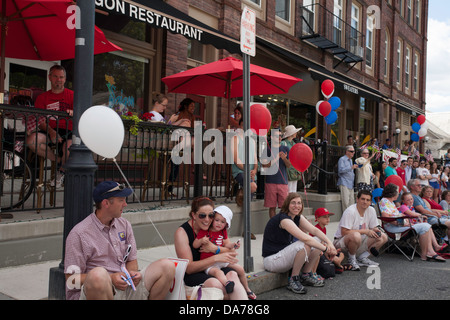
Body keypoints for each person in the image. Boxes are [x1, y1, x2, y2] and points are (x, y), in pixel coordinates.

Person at [64, 181, 175, 300]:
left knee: (167, 266)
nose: (125, 204)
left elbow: (132, 260)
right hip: (99, 291)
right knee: (98, 275)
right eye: (121, 200)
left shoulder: (124, 225)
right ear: (106, 203)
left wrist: (133, 274)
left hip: (126, 286)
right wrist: (110, 278)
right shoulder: (79, 234)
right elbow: (71, 280)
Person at [174, 196, 248, 299]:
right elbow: (189, 268)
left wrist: (215, 249)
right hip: (194, 274)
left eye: (211, 215)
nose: (207, 219)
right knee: (216, 284)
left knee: (233, 275)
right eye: (202, 215)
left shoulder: (214, 224)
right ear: (193, 215)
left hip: (215, 267)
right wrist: (215, 258)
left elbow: (231, 250)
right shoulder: (182, 233)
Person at [262, 193, 337, 294]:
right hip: (272, 260)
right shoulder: (284, 219)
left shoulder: (297, 217)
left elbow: (315, 231)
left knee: (318, 240)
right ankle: (293, 279)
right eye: (293, 203)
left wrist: (330, 244)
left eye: (299, 203)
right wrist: (326, 249)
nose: (296, 206)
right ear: (287, 204)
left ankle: (306, 275)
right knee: (304, 244)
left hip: (284, 255)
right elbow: (305, 239)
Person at [193, 205, 256, 299]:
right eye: (217, 220)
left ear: (226, 224)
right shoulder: (205, 231)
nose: (219, 224)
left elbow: (227, 245)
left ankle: (247, 289)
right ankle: (227, 283)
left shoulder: (222, 232)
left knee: (240, 269)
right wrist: (201, 240)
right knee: (218, 272)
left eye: (222, 222)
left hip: (221, 260)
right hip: (209, 263)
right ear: (212, 219)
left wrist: (233, 245)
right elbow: (195, 244)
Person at [26, 65, 73, 189]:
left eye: (61, 77)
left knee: (69, 147)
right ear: (49, 77)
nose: (59, 79)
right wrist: (52, 133)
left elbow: (82, 114)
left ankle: (61, 172)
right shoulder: (42, 97)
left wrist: (74, 112)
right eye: (56, 76)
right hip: (48, 130)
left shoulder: (72, 95)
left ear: (65, 79)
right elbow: (39, 121)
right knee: (32, 140)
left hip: (69, 131)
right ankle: (58, 160)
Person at [378, 184, 446, 262]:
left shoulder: (391, 202)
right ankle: (425, 254)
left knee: (427, 226)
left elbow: (394, 214)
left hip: (400, 225)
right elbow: (385, 216)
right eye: (397, 192)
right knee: (424, 226)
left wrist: (402, 216)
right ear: (392, 193)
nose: (398, 194)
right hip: (393, 227)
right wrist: (401, 223)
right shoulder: (384, 201)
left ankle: (430, 252)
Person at [333, 190, 388, 270]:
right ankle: (351, 260)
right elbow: (344, 232)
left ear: (370, 202)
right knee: (356, 235)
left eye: (368, 200)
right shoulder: (350, 211)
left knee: (383, 237)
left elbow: (373, 227)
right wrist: (365, 231)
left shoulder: (371, 210)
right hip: (341, 243)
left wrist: (376, 230)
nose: (365, 202)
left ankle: (362, 258)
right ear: (357, 199)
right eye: (363, 199)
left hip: (359, 241)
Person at [261, 129, 291, 218]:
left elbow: (289, 165)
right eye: (277, 136)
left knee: (284, 208)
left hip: (283, 182)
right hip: (270, 182)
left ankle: (283, 225)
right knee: (272, 207)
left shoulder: (285, 149)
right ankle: (273, 226)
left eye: (281, 136)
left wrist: (284, 159)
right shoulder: (267, 149)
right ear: (272, 137)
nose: (279, 138)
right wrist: (277, 158)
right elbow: (265, 165)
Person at [230, 118, 258, 207]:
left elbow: (255, 158)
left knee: (248, 197)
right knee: (252, 187)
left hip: (250, 173)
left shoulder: (252, 141)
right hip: (240, 171)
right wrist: (247, 170)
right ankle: (241, 193)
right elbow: (235, 158)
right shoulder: (235, 138)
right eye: (243, 126)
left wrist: (254, 170)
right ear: (240, 126)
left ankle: (242, 196)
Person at [313, 208, 346, 273]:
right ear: (318, 219)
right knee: (335, 258)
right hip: (319, 250)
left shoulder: (324, 228)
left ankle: (337, 264)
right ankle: (338, 265)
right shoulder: (315, 229)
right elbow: (319, 244)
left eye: (328, 217)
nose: (328, 219)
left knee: (342, 254)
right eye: (325, 217)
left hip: (324, 249)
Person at [337, 145, 358, 213]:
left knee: (351, 203)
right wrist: (351, 168)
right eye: (351, 151)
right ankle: (346, 219)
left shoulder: (351, 160)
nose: (353, 153)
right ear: (347, 152)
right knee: (345, 202)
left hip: (350, 184)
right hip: (344, 182)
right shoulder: (342, 159)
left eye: (354, 151)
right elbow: (340, 170)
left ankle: (351, 218)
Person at [281, 125, 302, 193]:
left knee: (293, 191)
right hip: (286, 170)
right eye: (295, 132)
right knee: (287, 191)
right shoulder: (283, 143)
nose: (296, 133)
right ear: (291, 134)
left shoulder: (294, 144)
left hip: (294, 170)